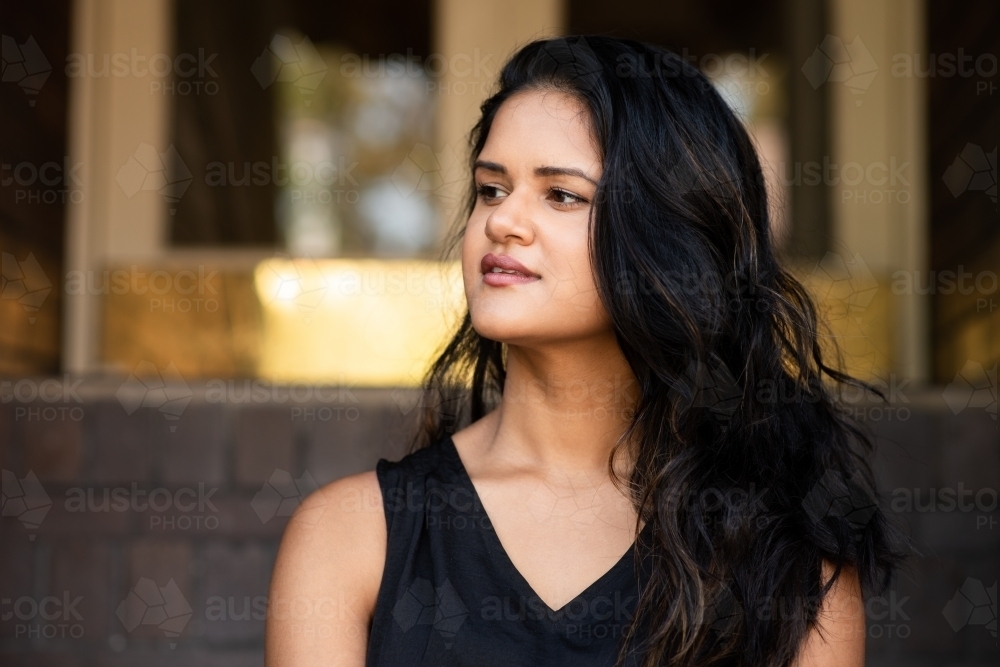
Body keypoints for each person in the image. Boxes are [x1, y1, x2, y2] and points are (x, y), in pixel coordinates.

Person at [265, 36, 907, 667]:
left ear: (667, 237)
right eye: (492, 188)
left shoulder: (792, 565)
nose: (502, 221)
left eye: (562, 194)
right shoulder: (349, 537)